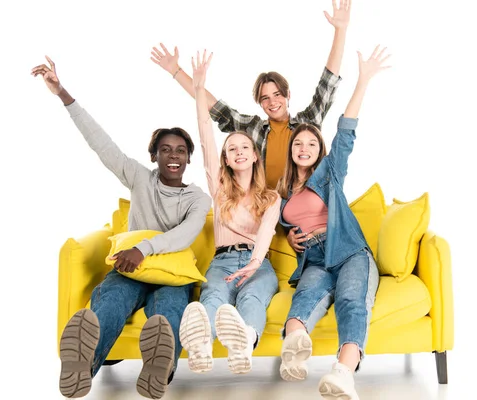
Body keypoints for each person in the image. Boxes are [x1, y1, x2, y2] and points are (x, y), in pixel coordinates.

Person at [31, 56, 212, 399]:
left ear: (189, 158)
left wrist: (141, 249)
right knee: (111, 300)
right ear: (154, 156)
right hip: (129, 272)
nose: (173, 156)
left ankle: (159, 368)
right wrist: (63, 93)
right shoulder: (138, 177)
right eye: (165, 150)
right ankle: (83, 367)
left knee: (167, 312)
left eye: (181, 151)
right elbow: (101, 143)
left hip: (170, 275)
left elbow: (185, 235)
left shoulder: (197, 198)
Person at [275, 45, 391, 400]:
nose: (305, 147)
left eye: (312, 142)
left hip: (348, 251)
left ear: (319, 151)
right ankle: (294, 349)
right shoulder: (282, 195)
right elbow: (279, 224)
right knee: (304, 300)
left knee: (351, 301)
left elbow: (345, 131)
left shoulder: (330, 173)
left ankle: (343, 374)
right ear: (291, 151)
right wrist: (290, 238)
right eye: (299, 143)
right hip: (313, 257)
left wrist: (364, 80)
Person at [150, 0, 352, 189]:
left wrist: (340, 31)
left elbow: (328, 83)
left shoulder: (307, 123)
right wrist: (175, 71)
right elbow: (214, 107)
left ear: (288, 95)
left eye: (277, 94)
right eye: (265, 98)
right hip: (265, 207)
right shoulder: (253, 127)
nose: (273, 102)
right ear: (260, 102)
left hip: (301, 208)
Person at [178, 50, 282, 375]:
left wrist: (253, 263)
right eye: (231, 149)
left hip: (259, 263)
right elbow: (206, 136)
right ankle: (201, 348)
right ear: (225, 159)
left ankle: (243, 345)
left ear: (254, 156)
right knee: (212, 297)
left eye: (244, 147)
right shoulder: (219, 189)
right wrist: (198, 90)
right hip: (222, 261)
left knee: (252, 299)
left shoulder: (271, 197)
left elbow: (265, 232)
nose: (237, 151)